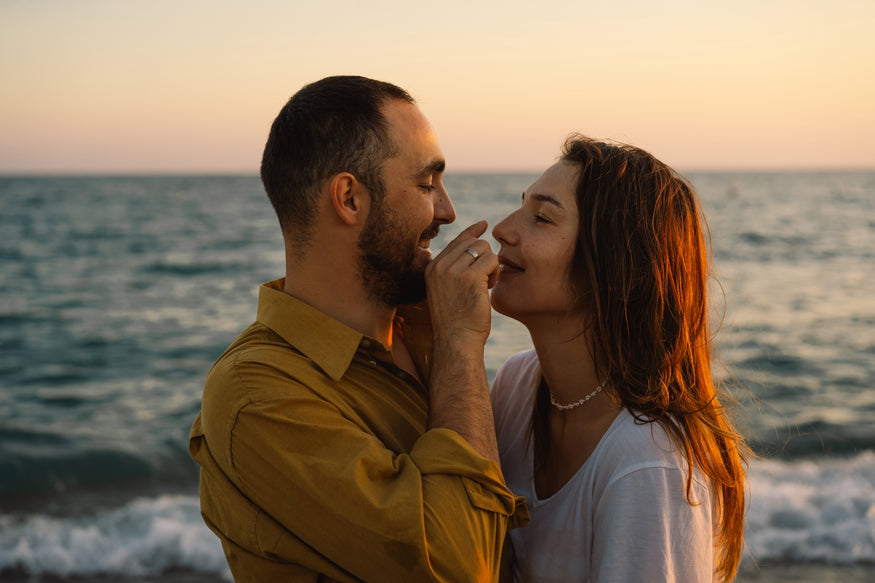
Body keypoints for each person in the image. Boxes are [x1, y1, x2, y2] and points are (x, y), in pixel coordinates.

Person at [189, 76, 527, 582]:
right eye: (426, 184)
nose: (447, 211)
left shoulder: (418, 329)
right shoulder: (255, 392)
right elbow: (460, 566)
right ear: (348, 198)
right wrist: (461, 345)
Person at [490, 135, 749, 582]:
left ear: (609, 266)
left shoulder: (649, 463)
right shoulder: (517, 383)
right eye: (520, 206)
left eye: (541, 218)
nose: (503, 229)